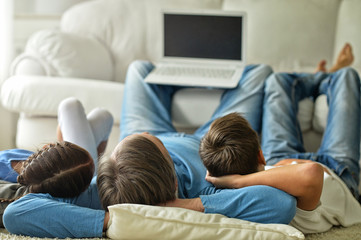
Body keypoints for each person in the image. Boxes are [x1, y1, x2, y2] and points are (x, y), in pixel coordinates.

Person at [96, 61, 297, 219]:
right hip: (206, 141)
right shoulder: (207, 187)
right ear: (174, 183)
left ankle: (182, 77)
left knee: (139, 69)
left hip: (134, 151)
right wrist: (188, 205)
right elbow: (282, 204)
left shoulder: (109, 181)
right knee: (258, 73)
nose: (147, 135)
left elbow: (62, 209)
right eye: (157, 145)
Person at [202, 43, 361, 233]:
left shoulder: (251, 170)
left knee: (277, 80)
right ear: (260, 156)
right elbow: (311, 172)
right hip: (338, 170)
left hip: (278, 159)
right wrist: (237, 182)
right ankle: (329, 76)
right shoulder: (271, 200)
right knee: (347, 76)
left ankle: (321, 77)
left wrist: (245, 176)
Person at [1, 97, 113, 230]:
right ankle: (90, 162)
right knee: (71, 106)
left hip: (77, 177)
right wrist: (108, 220)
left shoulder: (13, 163)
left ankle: (90, 162)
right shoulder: (24, 202)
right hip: (81, 183)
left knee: (103, 116)